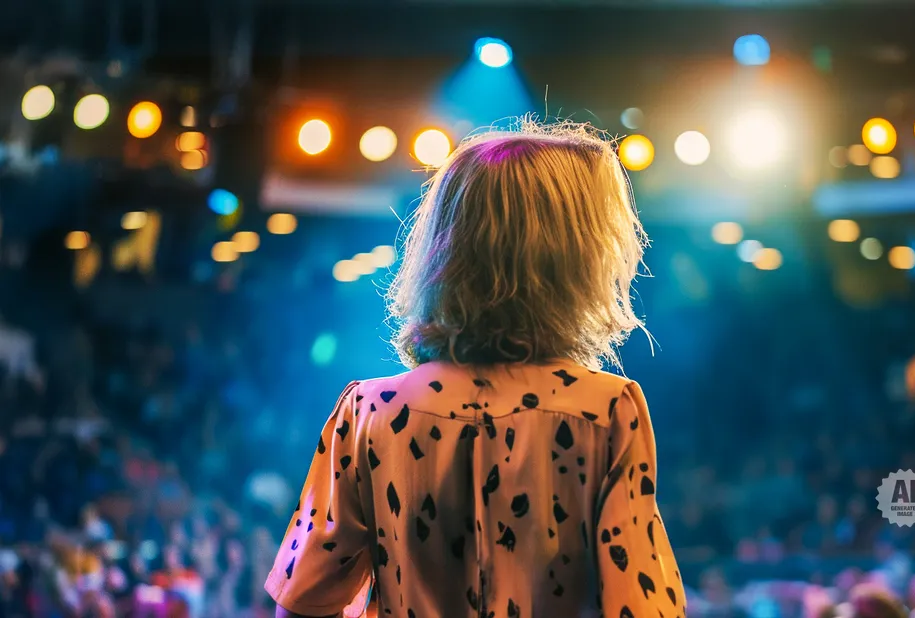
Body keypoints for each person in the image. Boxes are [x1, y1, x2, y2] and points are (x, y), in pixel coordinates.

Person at [265, 120, 686, 618]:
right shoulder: (604, 412)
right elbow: (645, 607)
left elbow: (302, 601)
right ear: (575, 260)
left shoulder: (368, 412)